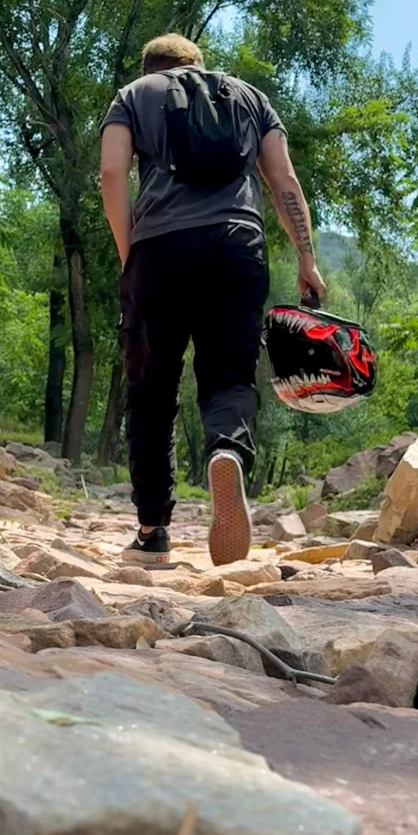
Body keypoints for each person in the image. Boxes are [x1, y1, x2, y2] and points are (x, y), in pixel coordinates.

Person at [99, 33, 326, 566]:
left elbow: (111, 174)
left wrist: (129, 253)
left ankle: (153, 529)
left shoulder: (133, 95)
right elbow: (284, 180)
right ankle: (227, 450)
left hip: (159, 249)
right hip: (237, 246)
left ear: (149, 67)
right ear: (199, 64)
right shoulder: (249, 97)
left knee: (152, 389)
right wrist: (307, 259)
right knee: (230, 375)